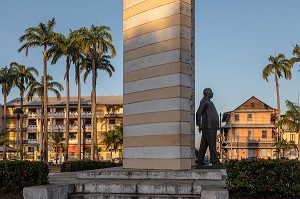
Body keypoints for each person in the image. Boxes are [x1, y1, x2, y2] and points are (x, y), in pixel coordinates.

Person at [196, 88, 219, 165]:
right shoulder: (205, 101)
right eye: (211, 92)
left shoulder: (208, 101)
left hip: (211, 126)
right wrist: (199, 124)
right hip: (209, 126)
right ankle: (214, 161)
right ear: (207, 93)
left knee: (204, 144)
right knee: (212, 143)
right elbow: (198, 113)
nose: (213, 93)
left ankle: (200, 160)